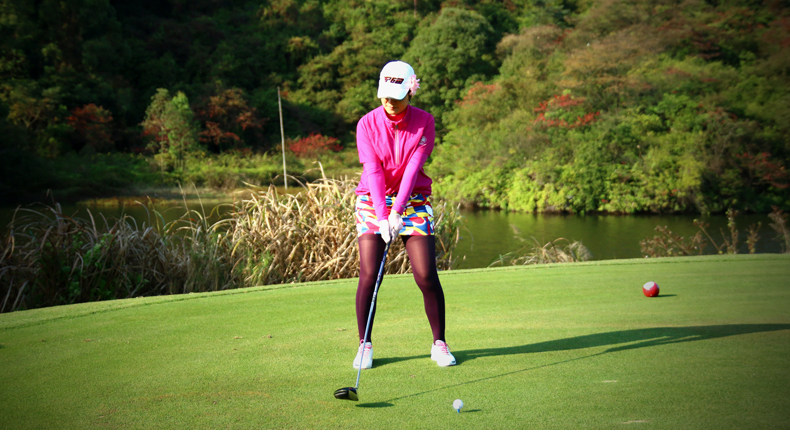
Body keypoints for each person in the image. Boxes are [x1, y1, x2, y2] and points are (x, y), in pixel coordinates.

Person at [352, 60, 456, 370]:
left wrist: (398, 211)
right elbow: (373, 170)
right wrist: (383, 215)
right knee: (370, 274)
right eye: (385, 96)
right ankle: (364, 344)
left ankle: (439, 343)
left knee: (425, 274)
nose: (390, 102)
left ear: (411, 92)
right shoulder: (366, 124)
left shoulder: (424, 122)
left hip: (414, 199)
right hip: (372, 200)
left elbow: (413, 168)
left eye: (396, 97)